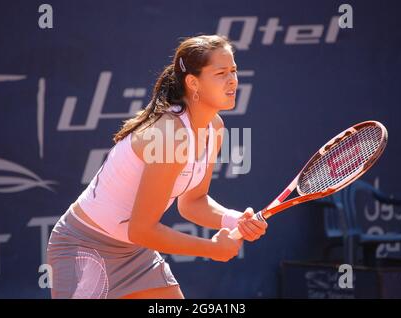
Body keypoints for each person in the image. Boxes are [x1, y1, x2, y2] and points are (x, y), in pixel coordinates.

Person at [46, 34, 268, 299]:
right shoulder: (170, 135)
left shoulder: (215, 128)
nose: (232, 80)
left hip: (134, 252)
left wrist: (234, 219)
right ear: (193, 83)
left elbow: (192, 201)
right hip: (84, 247)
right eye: (221, 73)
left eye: (233, 70)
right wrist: (212, 248)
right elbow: (141, 229)